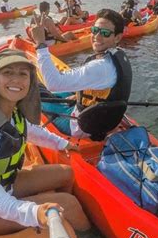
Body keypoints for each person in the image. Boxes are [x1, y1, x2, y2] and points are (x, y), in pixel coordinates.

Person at [0, 49, 90, 236]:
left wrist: (62, 144)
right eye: (8, 73)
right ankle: (84, 236)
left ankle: (61, 222)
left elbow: (30, 131)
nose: (16, 80)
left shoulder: (11, 111)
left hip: (5, 185)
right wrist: (33, 212)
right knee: (69, 204)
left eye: (23, 74)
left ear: (30, 82)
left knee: (66, 173)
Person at [31, 9, 132, 140]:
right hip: (101, 121)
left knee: (34, 91)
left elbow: (53, 83)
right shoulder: (118, 55)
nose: (97, 37)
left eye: (105, 33)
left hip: (81, 127)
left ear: (117, 37)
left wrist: (40, 44)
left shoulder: (100, 67)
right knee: (55, 93)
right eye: (95, 30)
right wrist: (77, 95)